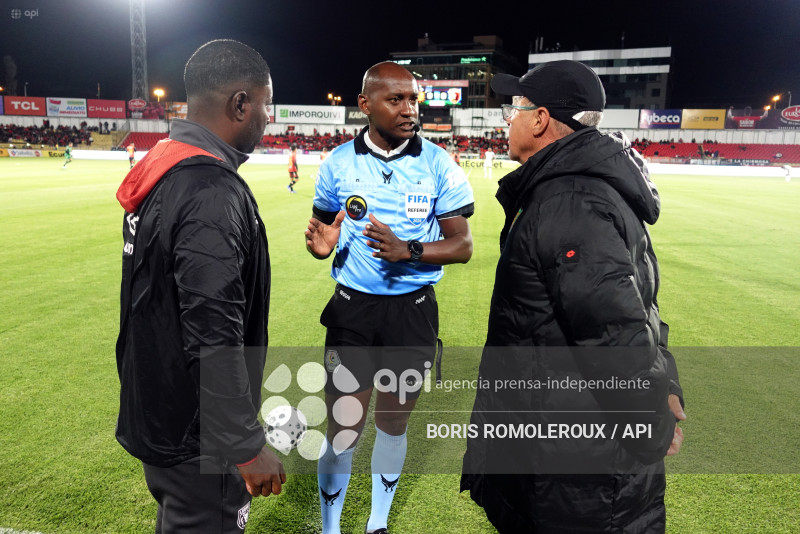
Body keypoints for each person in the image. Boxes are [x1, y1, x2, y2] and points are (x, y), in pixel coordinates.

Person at [460, 60, 685, 533]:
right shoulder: (576, 189)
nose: (508, 121)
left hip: (574, 473)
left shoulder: (569, 200)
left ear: (540, 119)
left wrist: (651, 424)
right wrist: (666, 385)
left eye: (514, 110)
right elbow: (641, 308)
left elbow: (613, 332)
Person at [114, 39, 285, 533]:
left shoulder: (166, 167)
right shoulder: (210, 190)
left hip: (161, 410)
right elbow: (213, 329)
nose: (268, 118)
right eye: (265, 103)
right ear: (240, 104)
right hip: (197, 435)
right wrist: (244, 443)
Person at [305, 61, 474, 534]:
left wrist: (409, 250)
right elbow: (325, 232)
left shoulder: (438, 163)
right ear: (365, 105)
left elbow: (462, 245)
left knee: (393, 424)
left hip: (411, 312)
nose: (409, 109)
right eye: (395, 99)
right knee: (343, 429)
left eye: (413, 99)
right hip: (352, 311)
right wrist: (322, 248)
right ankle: (329, 528)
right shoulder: (337, 162)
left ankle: (377, 523)